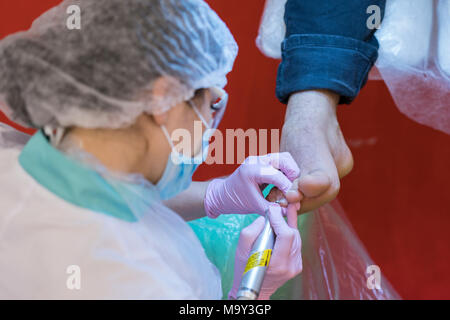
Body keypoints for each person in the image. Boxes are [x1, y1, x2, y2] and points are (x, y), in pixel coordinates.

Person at [0, 0, 302, 299]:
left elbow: (110, 196)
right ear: (162, 97)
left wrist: (217, 193)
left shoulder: (20, 158)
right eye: (209, 105)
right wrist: (252, 292)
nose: (210, 124)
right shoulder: (133, 281)